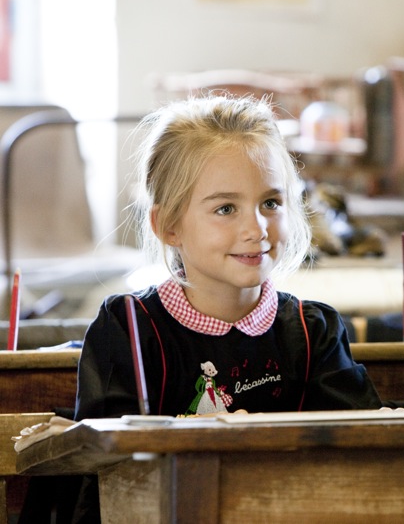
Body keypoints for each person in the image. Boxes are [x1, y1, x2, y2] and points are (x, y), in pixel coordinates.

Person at [21, 95, 382, 523]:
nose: (256, 229)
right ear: (168, 225)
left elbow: (366, 454)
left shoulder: (313, 330)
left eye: (271, 202)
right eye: (226, 208)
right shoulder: (130, 328)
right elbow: (105, 477)